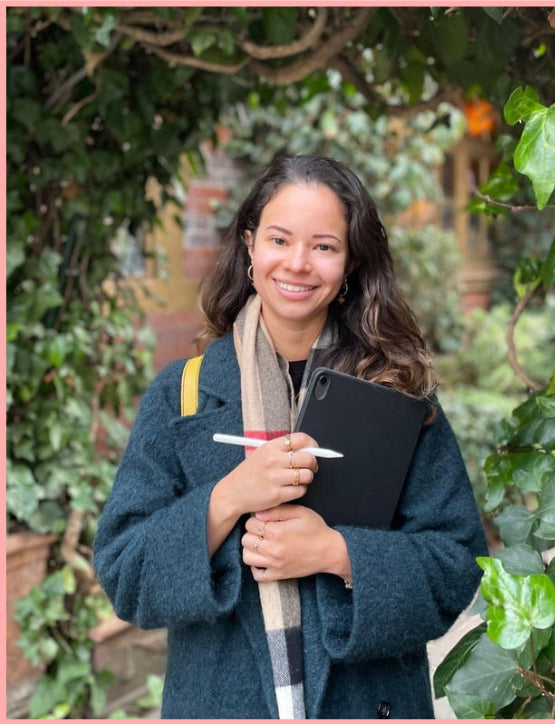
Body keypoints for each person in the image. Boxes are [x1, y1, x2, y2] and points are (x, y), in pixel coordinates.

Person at [93, 155, 488, 719]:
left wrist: (337, 553)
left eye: (324, 246)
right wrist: (228, 499)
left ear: (350, 263)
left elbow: (457, 562)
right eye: (280, 239)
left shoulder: (396, 394)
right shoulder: (183, 395)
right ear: (250, 248)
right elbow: (124, 571)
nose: (298, 264)